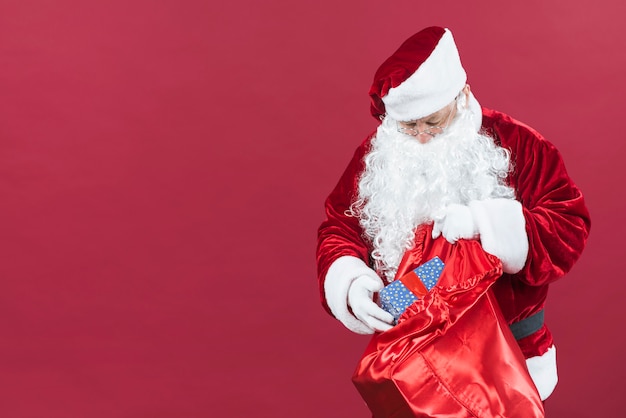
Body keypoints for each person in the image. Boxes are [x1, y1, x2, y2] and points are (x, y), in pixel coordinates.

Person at [316, 26, 590, 405]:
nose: (423, 136)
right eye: (410, 126)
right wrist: (348, 282)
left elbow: (569, 226)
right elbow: (339, 226)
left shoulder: (519, 144)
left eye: (433, 121)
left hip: (507, 359)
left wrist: (486, 223)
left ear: (460, 95)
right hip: (412, 363)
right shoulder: (378, 153)